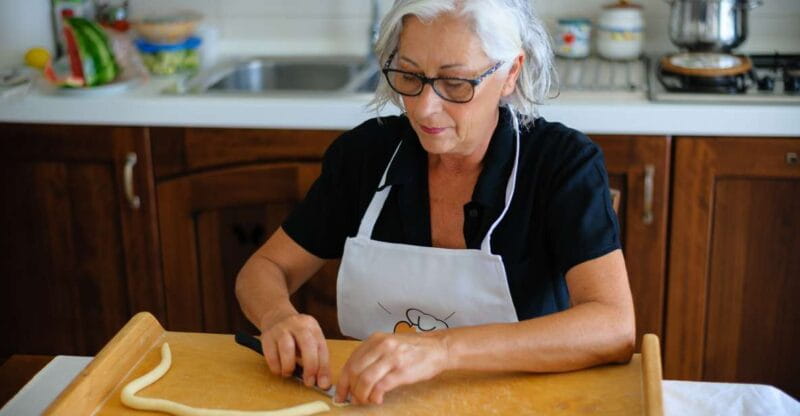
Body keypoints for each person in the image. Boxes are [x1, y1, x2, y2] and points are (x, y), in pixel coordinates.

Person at [235, 0, 635, 406]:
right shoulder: (366, 156)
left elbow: (613, 327)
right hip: (374, 403)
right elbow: (264, 269)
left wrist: (441, 350)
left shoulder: (560, 164)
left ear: (510, 72)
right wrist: (278, 318)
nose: (425, 108)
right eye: (409, 76)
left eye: (456, 83)